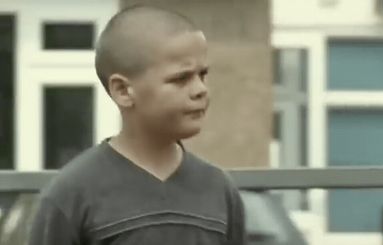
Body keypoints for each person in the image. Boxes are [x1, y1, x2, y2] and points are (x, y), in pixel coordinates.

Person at [29, 5, 245, 245]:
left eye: (202, 75)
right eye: (181, 78)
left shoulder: (219, 189)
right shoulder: (71, 195)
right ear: (123, 90)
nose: (200, 90)